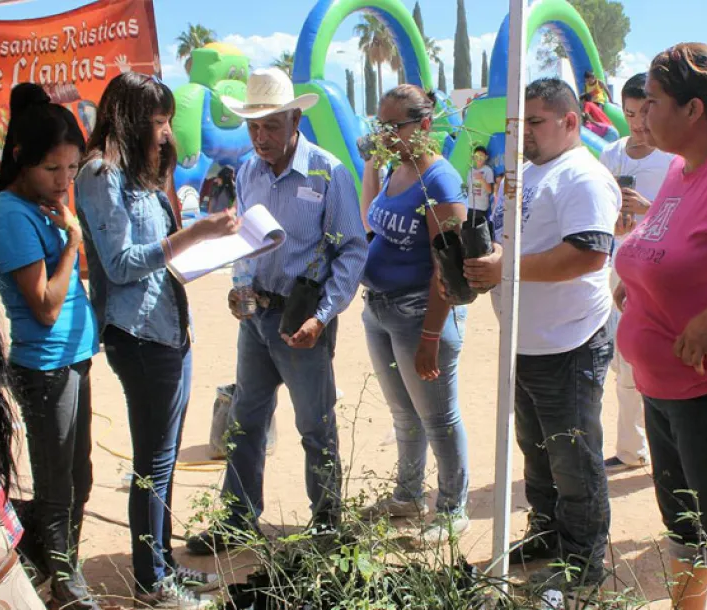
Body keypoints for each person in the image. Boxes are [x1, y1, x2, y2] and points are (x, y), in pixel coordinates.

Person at [75, 72, 239, 608]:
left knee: (164, 461)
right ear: (132, 119)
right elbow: (120, 265)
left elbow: (156, 252)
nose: (167, 133)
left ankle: (164, 564)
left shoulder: (140, 173)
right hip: (138, 334)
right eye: (161, 121)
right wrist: (194, 235)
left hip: (170, 328)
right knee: (153, 462)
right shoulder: (100, 174)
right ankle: (152, 582)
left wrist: (205, 245)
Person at [186, 68, 367, 553]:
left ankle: (327, 525)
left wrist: (322, 316)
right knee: (246, 418)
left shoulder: (329, 173)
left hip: (304, 320)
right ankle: (237, 520)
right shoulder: (247, 172)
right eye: (253, 127)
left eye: (270, 126)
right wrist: (239, 287)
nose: (261, 137)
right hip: (258, 317)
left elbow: (351, 250)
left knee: (315, 424)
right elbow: (246, 241)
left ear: (294, 120)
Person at [464, 78, 620, 591]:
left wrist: (506, 270)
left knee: (573, 458)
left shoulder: (582, 177)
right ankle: (548, 532)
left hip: (569, 343)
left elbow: (588, 253)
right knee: (536, 450)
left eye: (534, 122)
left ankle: (584, 560)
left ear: (570, 121)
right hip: (526, 342)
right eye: (519, 124)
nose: (523, 133)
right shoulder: (528, 173)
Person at [615, 43, 707, 610]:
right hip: (663, 392)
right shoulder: (677, 167)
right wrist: (634, 279)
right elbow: (671, 243)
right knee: (687, 533)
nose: (642, 116)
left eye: (655, 103)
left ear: (694, 111)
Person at [0, 84, 101, 609]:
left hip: (70, 360)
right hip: (46, 366)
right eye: (53, 170)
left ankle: (60, 569)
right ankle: (64, 585)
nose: (64, 182)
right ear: (21, 160)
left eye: (72, 169)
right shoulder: (10, 214)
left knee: (79, 476)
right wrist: (73, 242)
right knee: (58, 486)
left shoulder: (42, 205)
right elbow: (46, 305)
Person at [358, 85, 470, 545]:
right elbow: (372, 221)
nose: (384, 134)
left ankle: (451, 508)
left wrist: (429, 335)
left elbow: (448, 266)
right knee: (403, 414)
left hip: (419, 314)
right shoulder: (397, 171)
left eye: (393, 126)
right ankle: (407, 495)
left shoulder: (439, 182)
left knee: (438, 418)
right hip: (380, 309)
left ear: (424, 125)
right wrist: (371, 165)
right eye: (379, 125)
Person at [597, 73, 673, 474]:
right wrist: (615, 226)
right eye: (629, 113)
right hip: (622, 270)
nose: (638, 124)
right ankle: (631, 449)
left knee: (664, 364)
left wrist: (648, 209)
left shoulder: (676, 157)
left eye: (645, 112)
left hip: (664, 276)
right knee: (624, 362)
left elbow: (687, 217)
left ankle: (670, 455)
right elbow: (597, 213)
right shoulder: (610, 154)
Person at [467, 145, 495, 223]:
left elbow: (490, 190)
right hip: (470, 207)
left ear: (486, 157)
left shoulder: (488, 171)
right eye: (477, 156)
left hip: (481, 209)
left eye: (481, 156)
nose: (479, 158)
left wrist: (481, 179)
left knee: (480, 233)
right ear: (473, 157)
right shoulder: (470, 171)